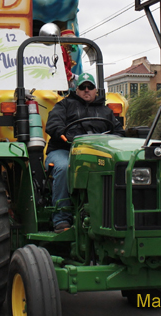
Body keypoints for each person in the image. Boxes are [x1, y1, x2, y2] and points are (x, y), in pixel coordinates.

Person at [44, 72, 123, 233]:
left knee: (119, 169)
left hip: (95, 154)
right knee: (64, 167)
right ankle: (61, 218)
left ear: (96, 90)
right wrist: (64, 134)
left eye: (90, 87)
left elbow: (119, 132)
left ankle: (115, 216)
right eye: (83, 87)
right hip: (64, 150)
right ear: (76, 89)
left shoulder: (105, 111)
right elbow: (53, 124)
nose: (86, 90)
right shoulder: (64, 105)